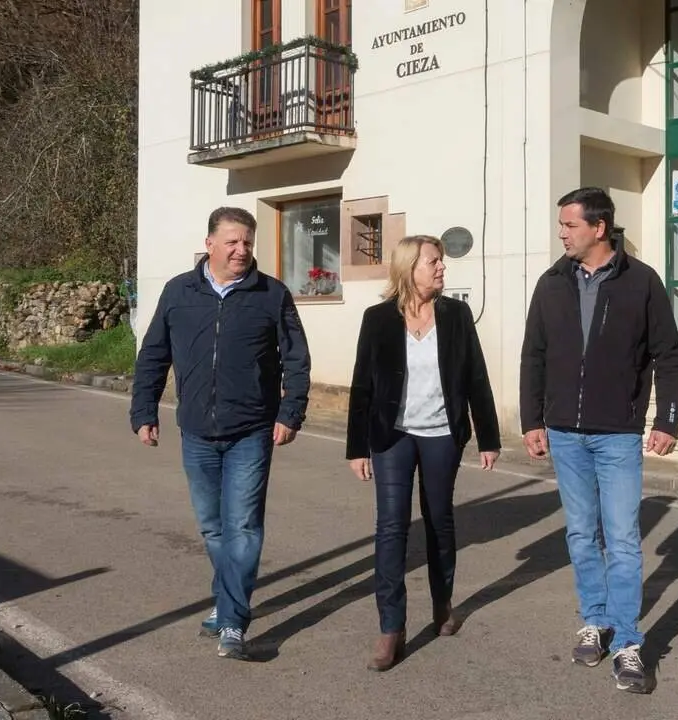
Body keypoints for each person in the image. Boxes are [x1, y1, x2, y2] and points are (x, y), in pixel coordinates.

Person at [519, 187, 678, 694]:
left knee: (624, 538)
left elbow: (668, 355)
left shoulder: (642, 282)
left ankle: (629, 643)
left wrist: (667, 420)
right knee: (580, 533)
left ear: (600, 227)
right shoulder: (551, 283)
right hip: (565, 433)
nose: (562, 233)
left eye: (570, 225)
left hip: (617, 434)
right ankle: (595, 619)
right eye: (561, 225)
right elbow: (534, 356)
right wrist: (532, 420)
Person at [129, 206, 311, 661]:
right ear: (209, 243)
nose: (241, 250)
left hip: (251, 429)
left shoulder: (272, 294)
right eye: (232, 241)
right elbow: (153, 354)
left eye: (247, 242)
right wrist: (143, 410)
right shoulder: (178, 291)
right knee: (213, 528)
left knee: (243, 525)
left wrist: (290, 412)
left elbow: (297, 359)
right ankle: (227, 598)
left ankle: (232, 619)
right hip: (196, 431)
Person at [346, 234, 501, 672]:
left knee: (438, 519)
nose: (441, 269)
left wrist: (488, 436)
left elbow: (476, 377)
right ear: (409, 267)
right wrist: (357, 446)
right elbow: (363, 385)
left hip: (441, 434)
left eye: (441, 262)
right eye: (433, 261)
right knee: (390, 527)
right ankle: (390, 627)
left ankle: (442, 602)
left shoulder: (456, 314)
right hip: (392, 435)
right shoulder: (377, 318)